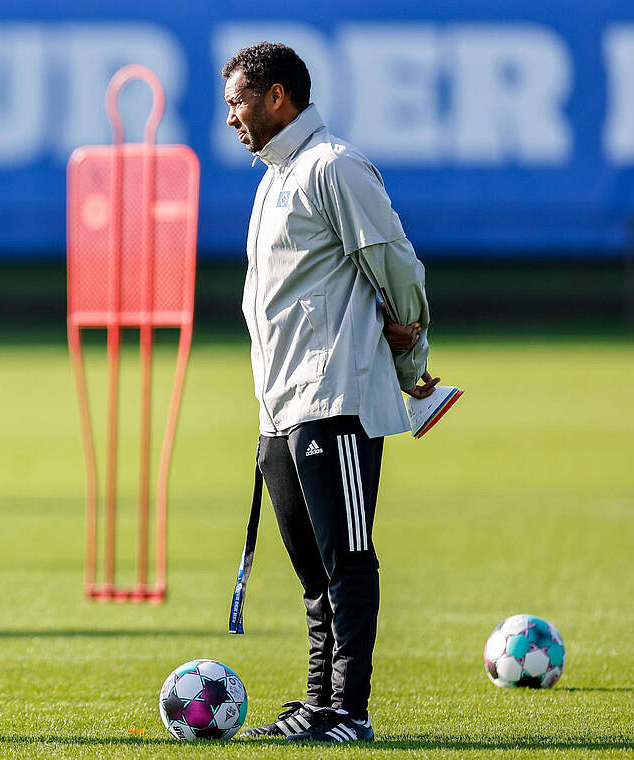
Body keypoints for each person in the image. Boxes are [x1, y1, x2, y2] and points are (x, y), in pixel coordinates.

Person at [220, 42, 438, 743]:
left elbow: (396, 265)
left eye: (239, 102)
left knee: (347, 558)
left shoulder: (333, 166)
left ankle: (350, 709)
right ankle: (318, 703)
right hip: (280, 406)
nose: (231, 117)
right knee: (312, 571)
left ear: (277, 97)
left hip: (334, 396)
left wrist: (412, 362)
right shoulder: (273, 176)